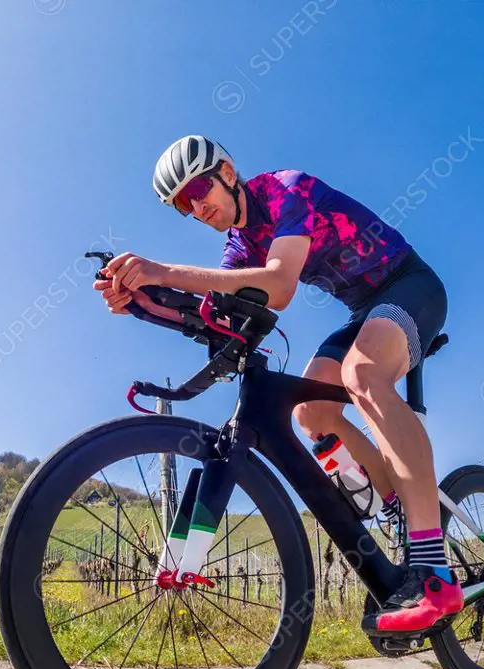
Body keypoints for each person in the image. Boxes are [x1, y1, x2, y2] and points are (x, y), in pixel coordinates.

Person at [93, 134, 462, 634]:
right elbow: (218, 315)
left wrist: (163, 269)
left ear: (227, 171)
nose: (197, 206)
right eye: (183, 203)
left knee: (361, 375)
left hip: (411, 286)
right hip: (362, 311)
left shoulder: (286, 189)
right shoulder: (238, 246)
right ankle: (399, 500)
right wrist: (144, 301)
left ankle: (432, 570)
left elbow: (280, 285)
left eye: (199, 189)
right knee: (311, 413)